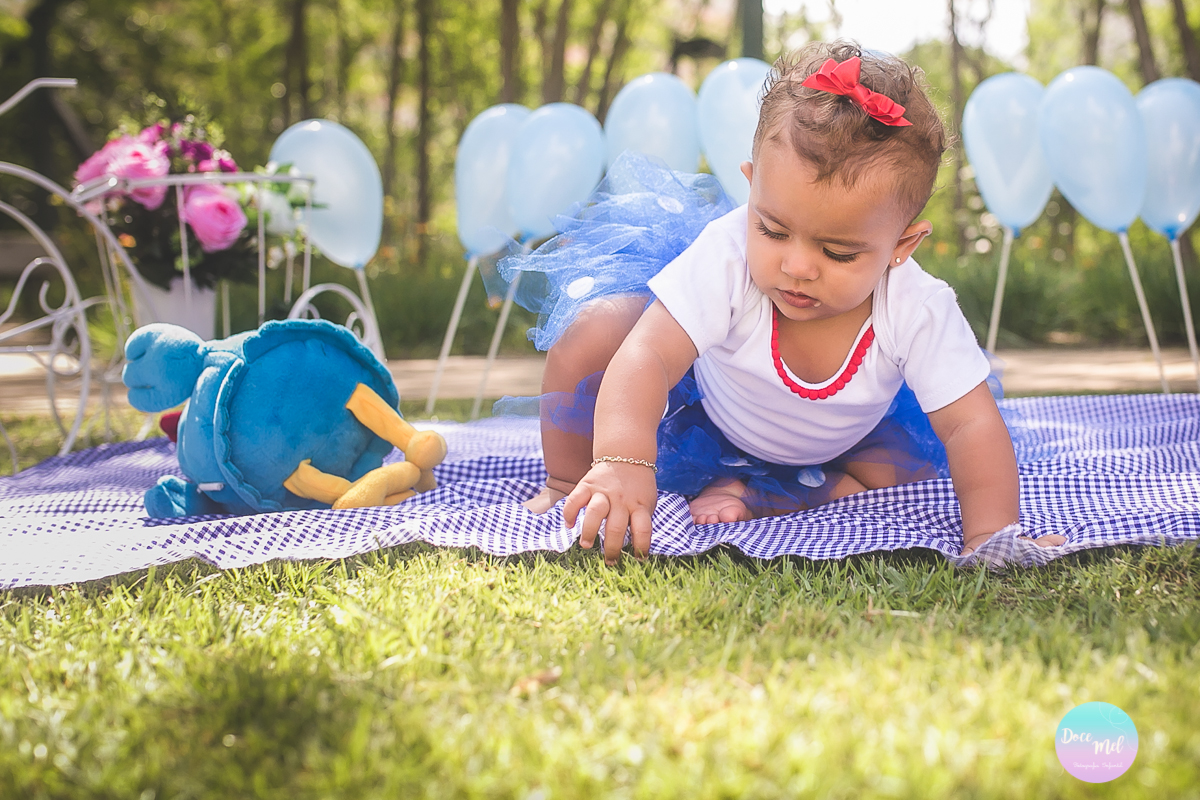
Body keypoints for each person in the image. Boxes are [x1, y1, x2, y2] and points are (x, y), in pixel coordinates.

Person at [501, 41, 1066, 564]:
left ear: (902, 245)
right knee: (598, 330)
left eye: (839, 253)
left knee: (903, 469)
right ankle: (569, 481)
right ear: (751, 190)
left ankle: (772, 490)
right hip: (710, 416)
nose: (797, 266)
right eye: (772, 230)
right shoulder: (727, 258)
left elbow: (971, 425)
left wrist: (993, 535)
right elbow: (647, 355)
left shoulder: (917, 307)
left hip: (849, 438)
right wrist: (622, 459)